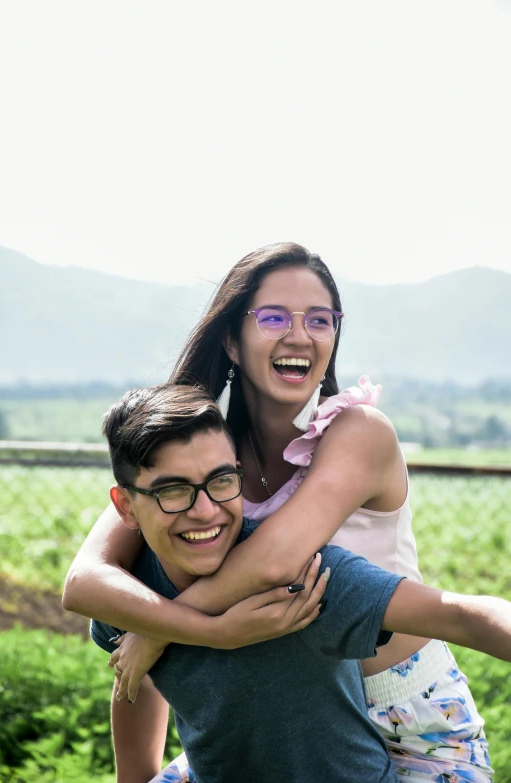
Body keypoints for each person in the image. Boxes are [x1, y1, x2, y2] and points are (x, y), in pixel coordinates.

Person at [63, 242, 493, 781]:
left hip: (411, 719)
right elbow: (87, 581)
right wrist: (174, 635)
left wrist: (160, 631)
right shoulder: (206, 462)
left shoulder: (358, 433)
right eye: (273, 317)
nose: (299, 335)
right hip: (287, 718)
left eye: (320, 319)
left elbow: (276, 560)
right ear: (232, 341)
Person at [91, 382, 511, 783]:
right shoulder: (131, 593)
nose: (205, 511)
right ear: (126, 507)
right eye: (174, 491)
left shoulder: (300, 584)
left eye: (221, 482)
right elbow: (135, 674)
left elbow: (458, 616)